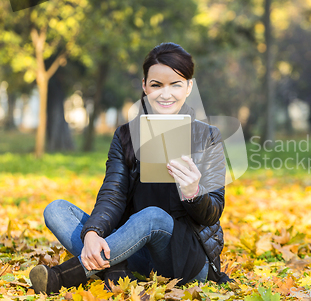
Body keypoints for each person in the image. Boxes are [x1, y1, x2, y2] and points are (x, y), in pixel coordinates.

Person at [29, 42, 232, 294]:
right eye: (156, 85)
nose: (165, 94)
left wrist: (194, 192)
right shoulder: (126, 135)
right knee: (56, 209)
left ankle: (64, 276)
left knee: (152, 216)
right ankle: (116, 265)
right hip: (134, 250)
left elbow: (213, 213)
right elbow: (113, 194)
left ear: (189, 87)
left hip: (187, 261)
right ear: (145, 86)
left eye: (176, 84)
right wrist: (92, 233)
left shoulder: (207, 136)